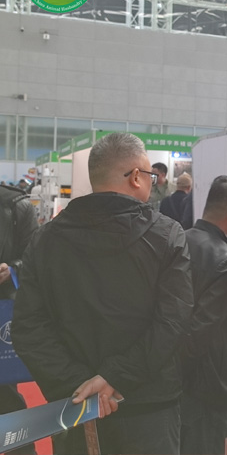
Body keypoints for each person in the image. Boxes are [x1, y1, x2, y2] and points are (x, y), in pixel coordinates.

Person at [13, 132, 194, 455]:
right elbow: (173, 321)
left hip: (74, 408)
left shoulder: (45, 239)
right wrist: (113, 379)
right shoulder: (167, 235)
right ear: (136, 177)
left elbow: (28, 328)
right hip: (148, 406)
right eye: (151, 176)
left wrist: (79, 385)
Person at [180, 176, 227, 455]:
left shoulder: (180, 240)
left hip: (176, 383)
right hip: (208, 386)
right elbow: (200, 333)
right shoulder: (226, 262)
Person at [0, 183, 39, 454]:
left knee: (6, 396)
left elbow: (34, 258)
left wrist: (11, 269)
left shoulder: (16, 206)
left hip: (2, 312)